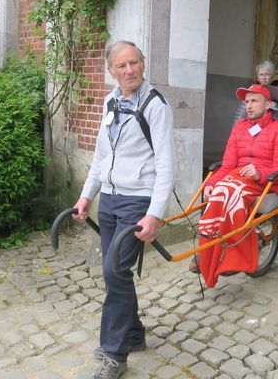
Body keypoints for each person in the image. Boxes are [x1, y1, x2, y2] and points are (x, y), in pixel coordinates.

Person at [72, 41, 175, 379]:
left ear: (143, 64)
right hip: (111, 199)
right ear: (111, 70)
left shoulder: (155, 105)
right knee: (113, 270)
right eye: (122, 65)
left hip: (138, 201)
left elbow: (166, 164)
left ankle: (115, 354)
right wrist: (87, 195)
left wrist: (155, 213)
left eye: (134, 63)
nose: (129, 70)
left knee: (115, 271)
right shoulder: (111, 101)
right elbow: (102, 156)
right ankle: (133, 333)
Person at [193, 84, 278, 287]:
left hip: (264, 181)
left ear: (268, 104)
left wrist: (259, 173)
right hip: (236, 177)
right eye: (246, 102)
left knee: (229, 193)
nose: (248, 105)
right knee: (218, 192)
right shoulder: (240, 127)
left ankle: (232, 255)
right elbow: (228, 164)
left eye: (254, 101)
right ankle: (209, 252)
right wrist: (211, 183)